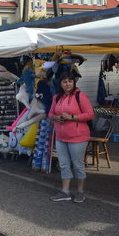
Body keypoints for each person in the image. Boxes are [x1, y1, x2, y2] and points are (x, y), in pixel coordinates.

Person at [49, 72, 94, 203]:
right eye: (64, 82)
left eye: (70, 81)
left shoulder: (81, 96)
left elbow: (90, 114)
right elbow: (50, 113)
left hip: (78, 137)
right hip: (61, 137)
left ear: (74, 82)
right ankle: (65, 191)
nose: (67, 84)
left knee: (78, 164)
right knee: (63, 164)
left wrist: (72, 117)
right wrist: (56, 117)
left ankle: (80, 192)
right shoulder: (57, 97)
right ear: (61, 84)